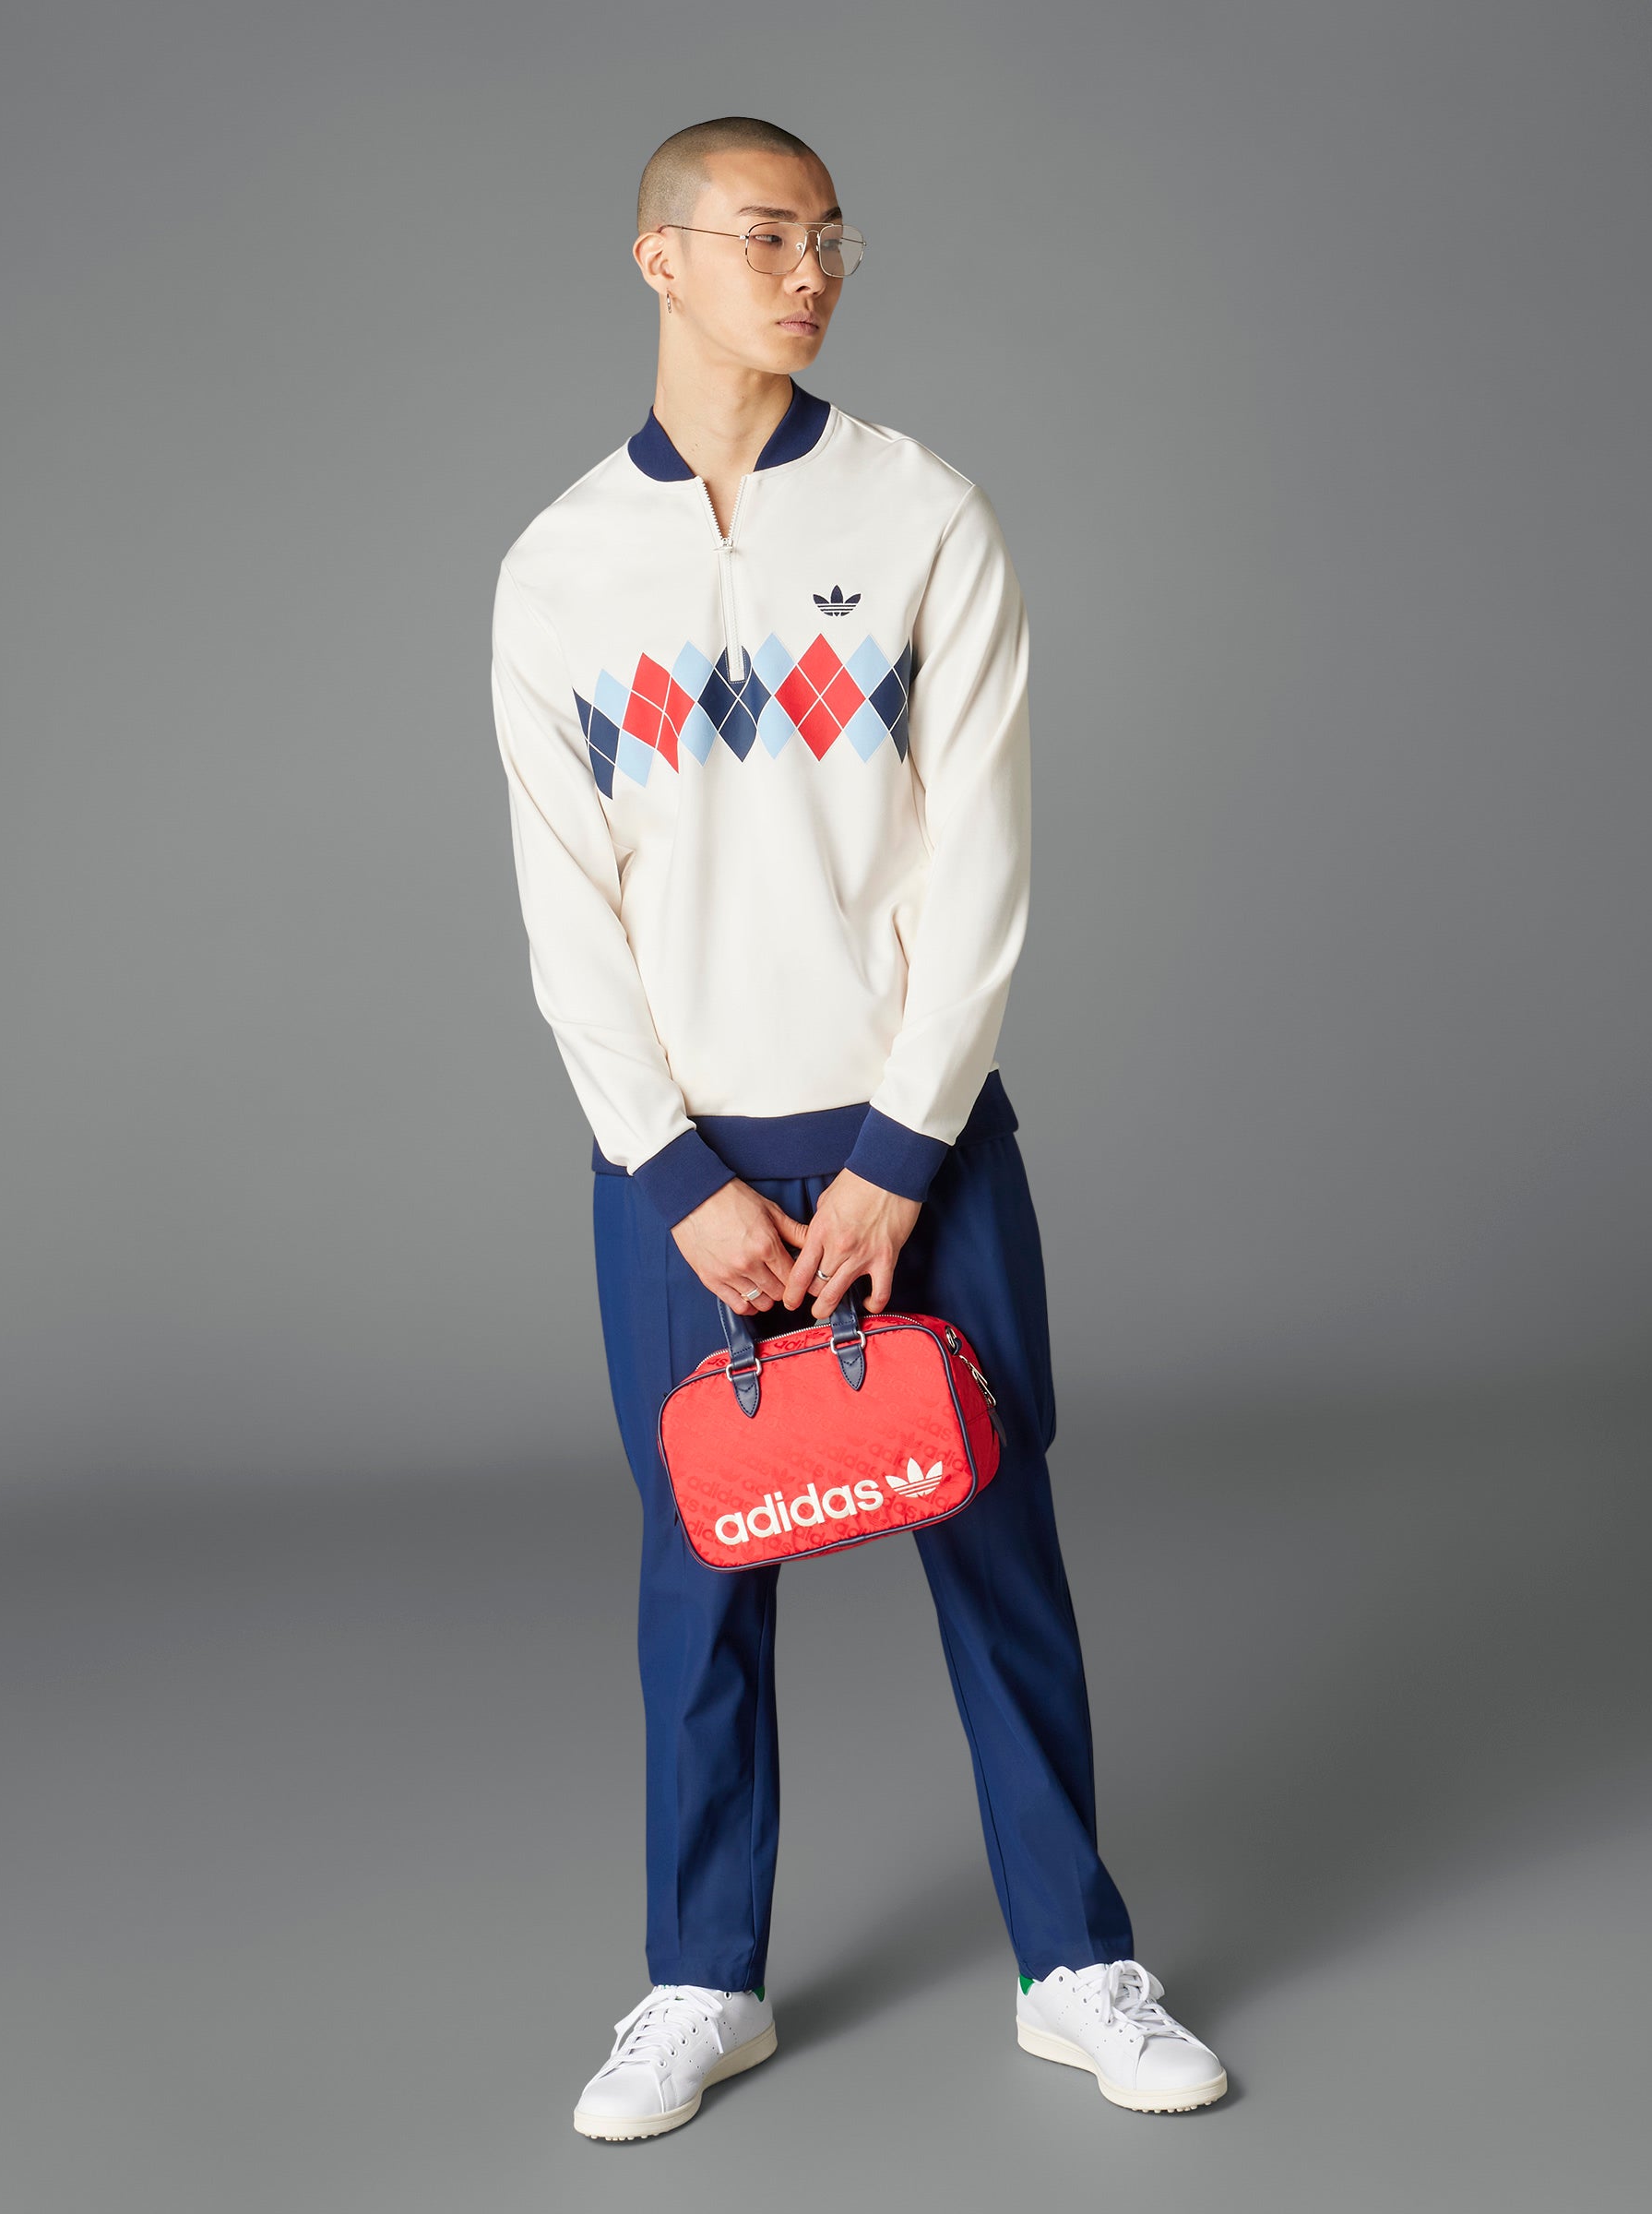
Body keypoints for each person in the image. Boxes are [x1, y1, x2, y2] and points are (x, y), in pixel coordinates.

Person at [489, 114, 1227, 2142]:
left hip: (923, 1142)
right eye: (765, 236)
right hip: (685, 1177)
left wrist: (903, 1155)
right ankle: (699, 1983)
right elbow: (567, 910)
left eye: (832, 239)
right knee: (698, 1578)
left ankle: (1074, 1964)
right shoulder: (560, 568)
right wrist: (674, 1179)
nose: (809, 272)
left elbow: (980, 863)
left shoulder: (923, 515)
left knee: (997, 1545)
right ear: (659, 257)